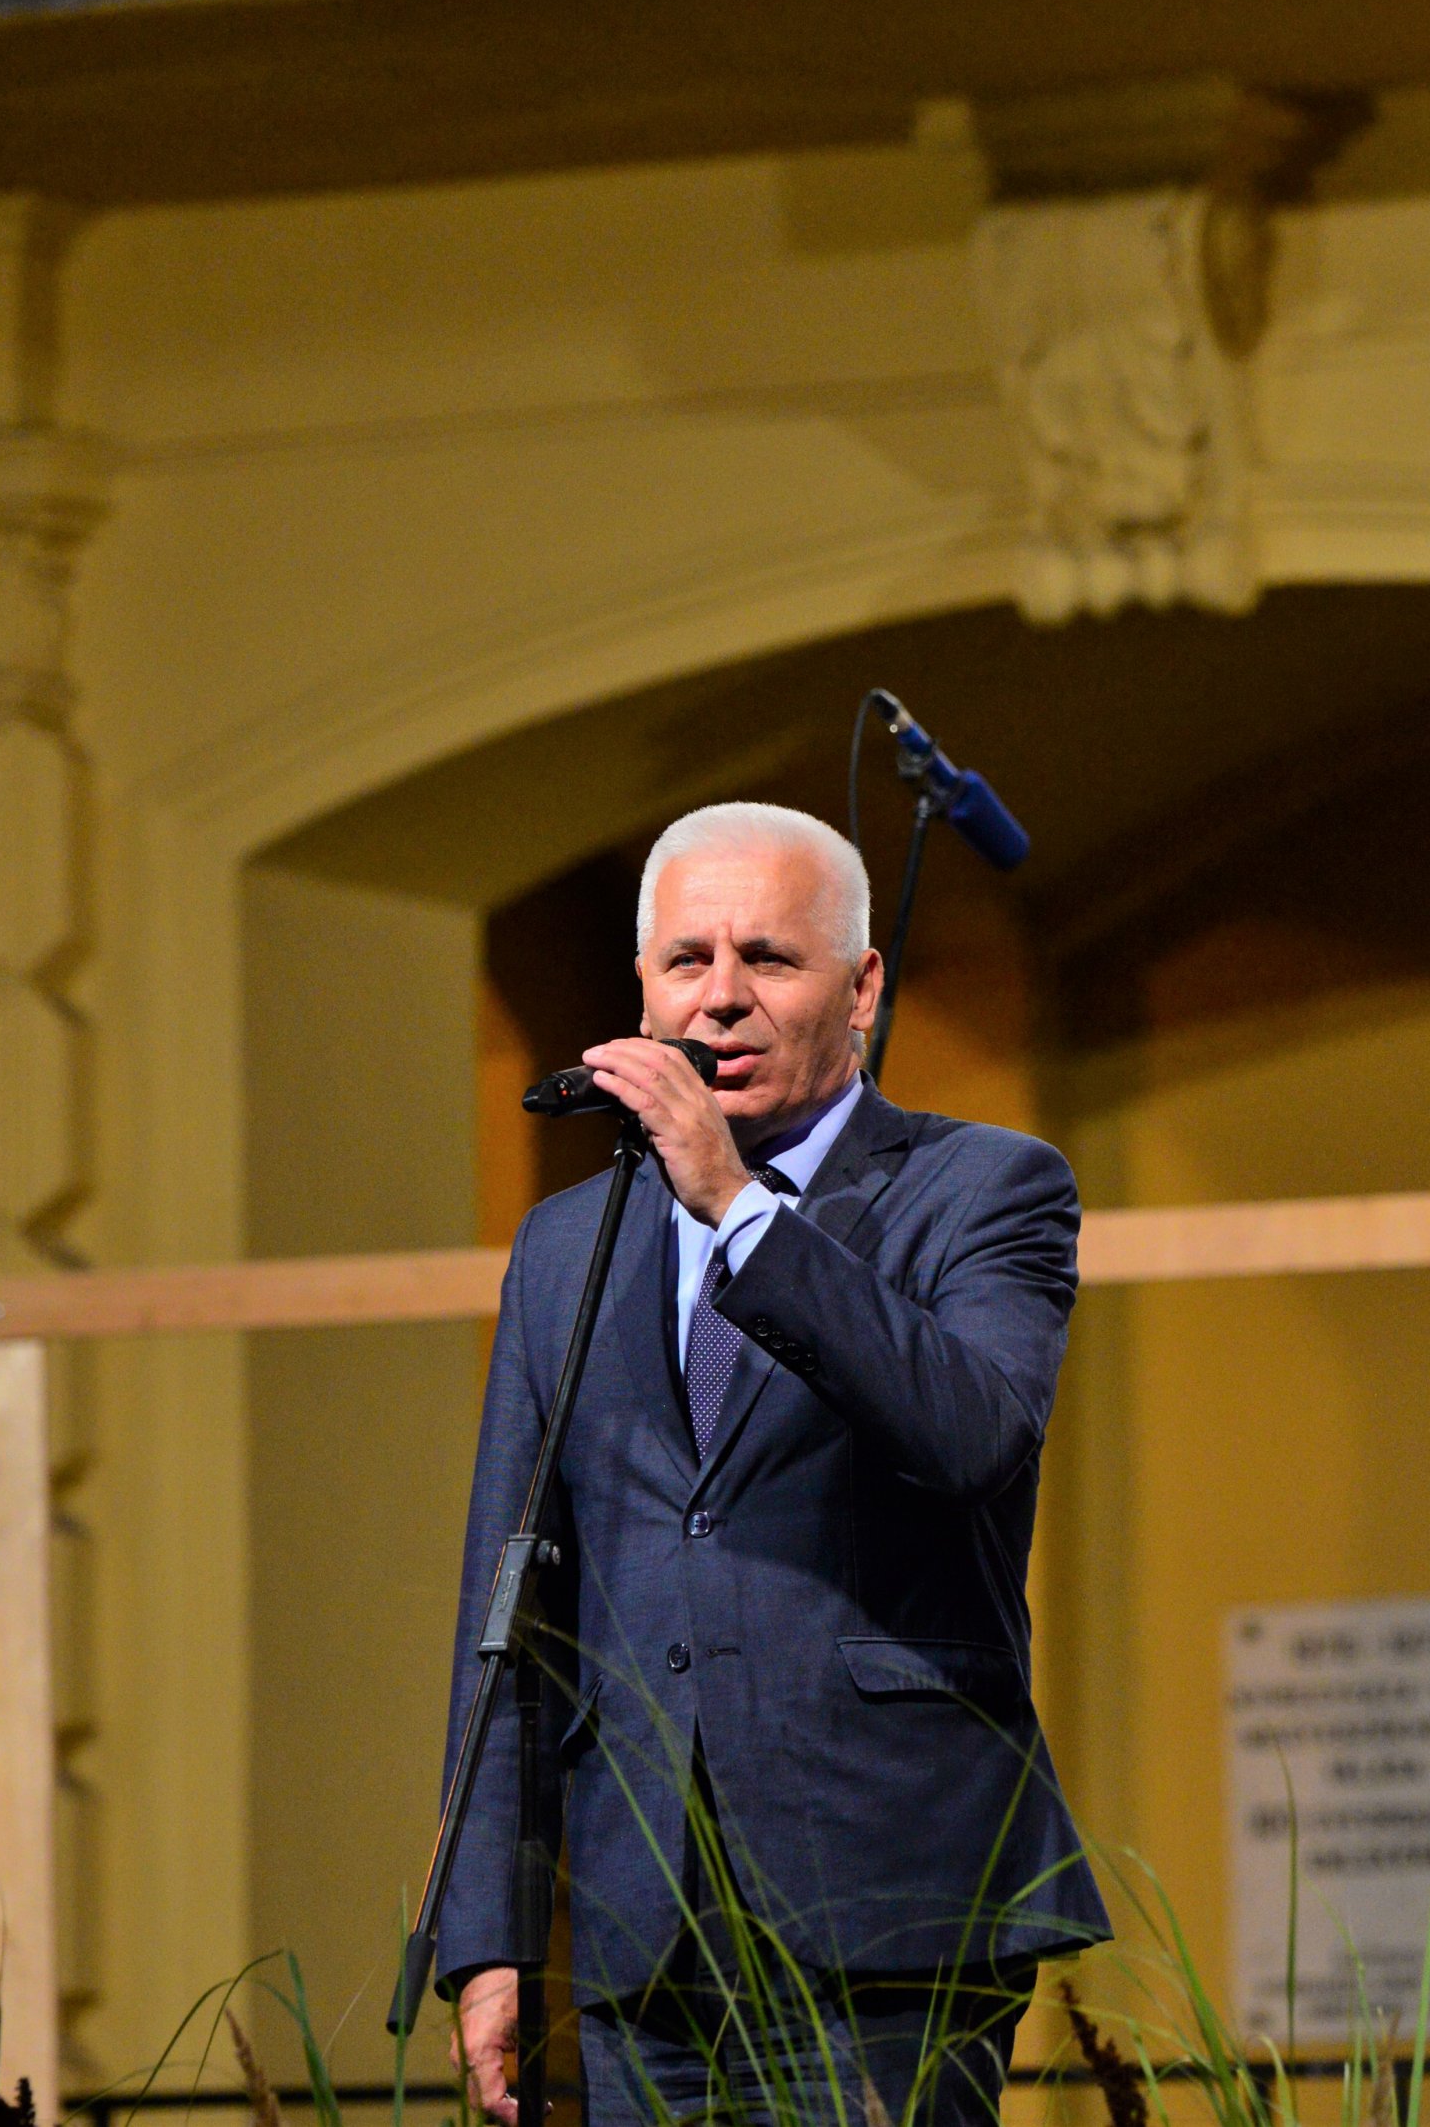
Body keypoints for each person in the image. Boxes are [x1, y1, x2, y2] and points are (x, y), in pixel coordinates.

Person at [436, 800, 1108, 2127]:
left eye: (770, 960)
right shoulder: (566, 1249)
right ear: (642, 990)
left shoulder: (984, 1190)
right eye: (688, 962)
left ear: (862, 989)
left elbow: (970, 1429)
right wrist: (491, 1929)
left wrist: (735, 1207)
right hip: (644, 1934)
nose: (721, 1000)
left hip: (887, 1917)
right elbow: (515, 1604)